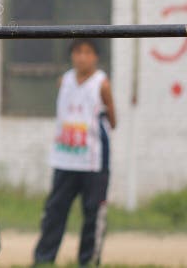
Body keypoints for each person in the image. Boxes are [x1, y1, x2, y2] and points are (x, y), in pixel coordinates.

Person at [33, 39, 117, 267]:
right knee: (54, 211)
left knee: (92, 212)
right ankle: (43, 258)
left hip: (92, 160)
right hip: (65, 158)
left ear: (96, 56)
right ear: (71, 55)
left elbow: (113, 119)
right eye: (78, 51)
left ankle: (88, 260)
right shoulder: (65, 81)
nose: (82, 57)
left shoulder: (102, 84)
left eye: (88, 52)